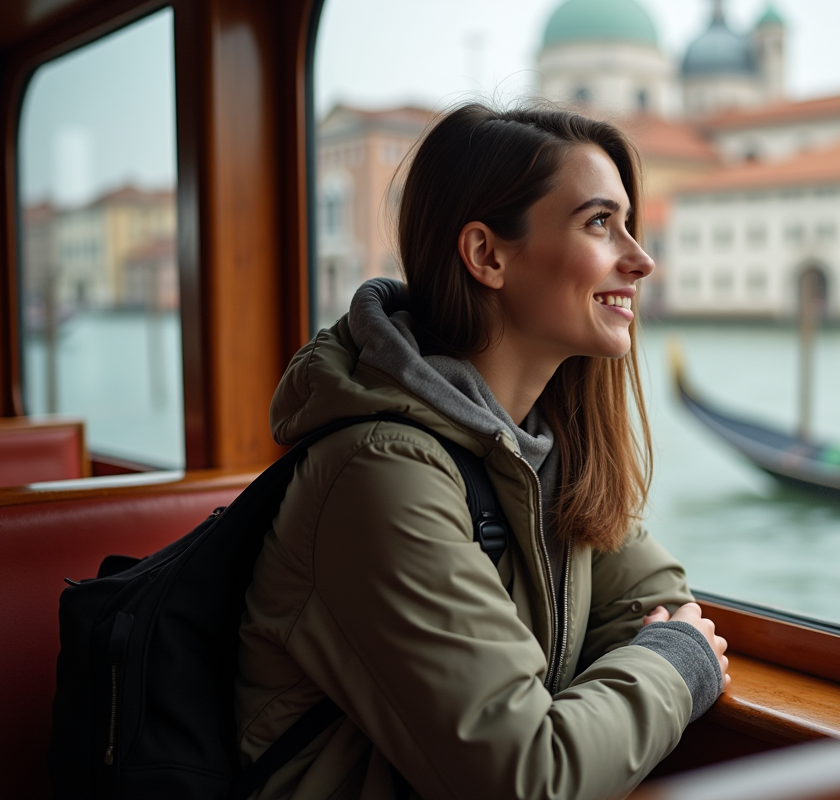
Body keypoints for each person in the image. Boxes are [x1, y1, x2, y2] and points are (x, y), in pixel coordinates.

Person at [234, 104, 730, 800]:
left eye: (629, 224)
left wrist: (629, 674)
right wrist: (675, 665)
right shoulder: (378, 477)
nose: (641, 259)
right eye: (598, 223)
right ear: (487, 255)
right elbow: (528, 777)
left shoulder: (550, 449)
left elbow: (654, 604)